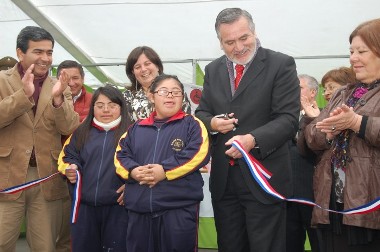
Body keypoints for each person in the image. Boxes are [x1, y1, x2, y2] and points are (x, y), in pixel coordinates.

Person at [195, 8, 300, 252]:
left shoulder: (280, 64)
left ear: (254, 32)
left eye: (244, 38)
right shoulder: (212, 70)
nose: (238, 47)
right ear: (220, 43)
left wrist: (253, 139)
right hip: (224, 182)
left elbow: (287, 119)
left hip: (264, 177)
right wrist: (212, 123)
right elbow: (202, 113)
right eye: (229, 42)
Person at [0, 26, 79, 252]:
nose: (45, 58)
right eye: (38, 52)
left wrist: (57, 102)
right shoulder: (2, 81)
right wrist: (22, 96)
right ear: (20, 53)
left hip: (47, 176)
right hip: (8, 175)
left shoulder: (59, 85)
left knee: (45, 246)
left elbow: (70, 126)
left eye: (49, 52)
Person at [304, 18, 380, 251]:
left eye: (361, 51)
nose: (353, 58)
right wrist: (328, 131)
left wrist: (357, 122)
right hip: (335, 202)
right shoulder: (344, 93)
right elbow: (311, 134)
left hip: (369, 204)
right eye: (351, 51)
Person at [115, 74, 210, 252]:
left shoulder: (192, 124)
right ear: (151, 96)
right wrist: (133, 171)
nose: (170, 96)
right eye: (164, 91)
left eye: (176, 92)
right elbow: (120, 156)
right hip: (139, 208)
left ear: (183, 98)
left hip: (178, 208)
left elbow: (198, 153)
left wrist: (164, 171)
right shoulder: (136, 128)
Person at [58, 85, 130, 252]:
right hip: (84, 209)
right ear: (93, 108)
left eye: (112, 105)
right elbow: (66, 156)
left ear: (121, 107)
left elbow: (142, 165)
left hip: (119, 209)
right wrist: (71, 167)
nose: (106, 110)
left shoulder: (132, 133)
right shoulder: (81, 132)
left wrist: (132, 186)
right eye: (100, 105)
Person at [56, 60, 93, 252]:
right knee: (61, 227)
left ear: (83, 79)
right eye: (65, 78)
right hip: (59, 169)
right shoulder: (51, 99)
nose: (71, 82)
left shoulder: (96, 101)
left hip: (87, 171)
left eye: (76, 77)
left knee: (83, 225)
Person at [286, 74, 320, 252]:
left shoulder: (321, 117)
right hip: (287, 196)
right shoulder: (283, 118)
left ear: (313, 92)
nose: (293, 91)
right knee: (290, 243)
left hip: (313, 196)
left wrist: (312, 118)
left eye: (299, 87)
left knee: (319, 242)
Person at [123, 46, 191, 122]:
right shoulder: (127, 96)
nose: (143, 69)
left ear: (157, 66)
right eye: (137, 67)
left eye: (147, 64)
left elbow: (186, 120)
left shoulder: (175, 90)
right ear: (133, 72)